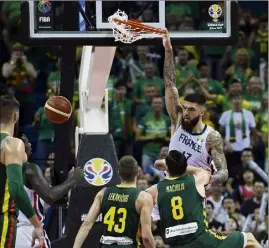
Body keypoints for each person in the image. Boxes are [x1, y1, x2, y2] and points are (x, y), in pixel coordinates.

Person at [147, 150, 262, 248]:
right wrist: (172, 165)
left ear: (167, 169)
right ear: (184, 166)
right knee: (249, 238)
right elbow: (202, 171)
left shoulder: (156, 189)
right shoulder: (196, 181)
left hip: (175, 244)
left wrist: (166, 164)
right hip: (200, 239)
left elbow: (139, 199)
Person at [155, 33, 228, 187]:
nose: (186, 112)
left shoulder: (212, 137)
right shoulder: (178, 119)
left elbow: (223, 172)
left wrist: (209, 179)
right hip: (170, 184)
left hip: (193, 189)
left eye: (192, 109)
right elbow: (170, 84)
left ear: (202, 112)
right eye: (185, 107)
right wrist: (168, 51)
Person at [15, 134, 84, 248]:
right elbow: (50, 196)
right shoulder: (29, 169)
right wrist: (73, 179)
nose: (30, 144)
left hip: (10, 231)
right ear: (20, 146)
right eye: (27, 142)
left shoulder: (6, 170)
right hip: (29, 231)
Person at [73, 155, 155, 248]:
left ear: (118, 172)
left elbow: (87, 224)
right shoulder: (143, 198)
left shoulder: (103, 193)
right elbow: (146, 236)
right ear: (138, 172)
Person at [0, 94, 44, 247]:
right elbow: (16, 189)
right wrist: (37, 225)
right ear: (15, 116)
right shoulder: (12, 144)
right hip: (3, 220)